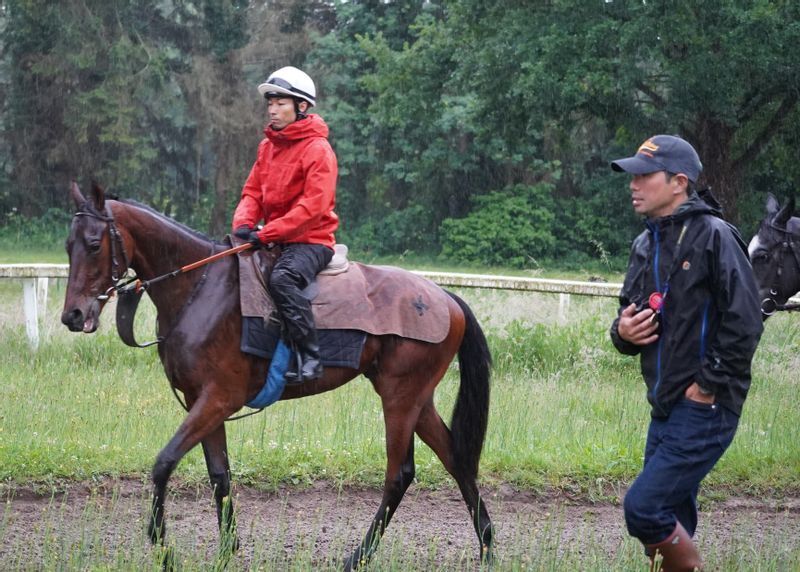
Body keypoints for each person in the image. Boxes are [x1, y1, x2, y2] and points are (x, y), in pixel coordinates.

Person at [608, 135, 763, 570]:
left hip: (706, 406)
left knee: (643, 509)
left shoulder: (715, 236)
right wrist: (623, 332)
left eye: (644, 176)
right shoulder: (645, 244)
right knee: (671, 518)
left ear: (679, 182)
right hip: (664, 403)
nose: (633, 185)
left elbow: (746, 320)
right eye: (631, 176)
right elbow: (627, 319)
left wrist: (708, 384)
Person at [232, 66, 338, 383]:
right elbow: (252, 192)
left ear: (301, 106)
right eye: (270, 103)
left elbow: (313, 208)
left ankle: (310, 357)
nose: (272, 109)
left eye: (280, 103)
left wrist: (266, 233)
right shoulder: (267, 147)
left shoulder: (319, 150)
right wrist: (244, 225)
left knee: (282, 279)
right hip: (274, 238)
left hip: (312, 243)